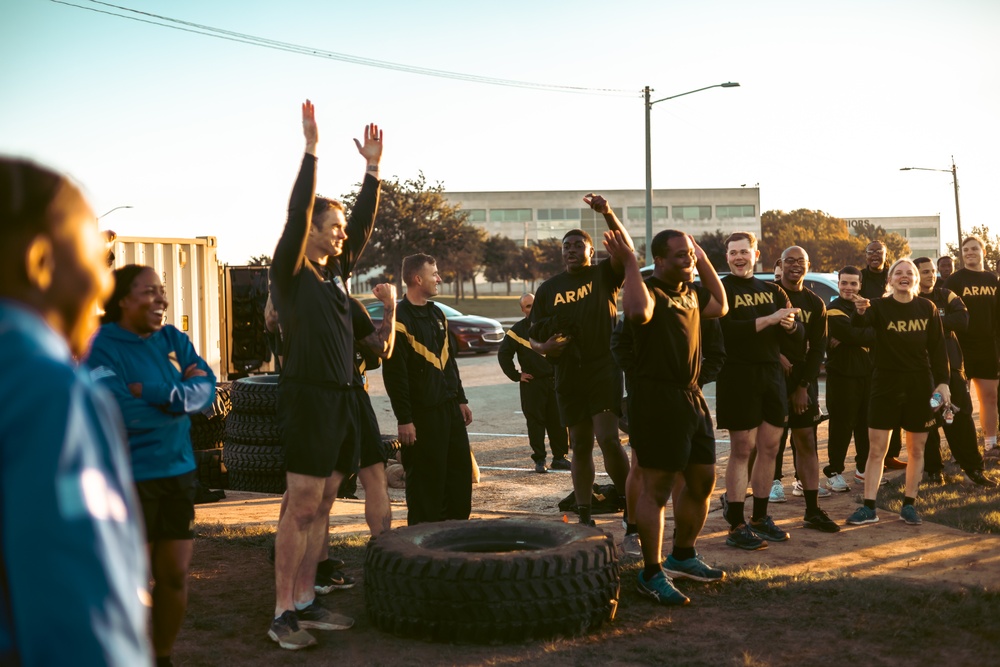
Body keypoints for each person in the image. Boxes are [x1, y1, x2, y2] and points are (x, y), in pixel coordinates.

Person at [0, 157, 151, 665]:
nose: (106, 287)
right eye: (94, 260)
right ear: (41, 263)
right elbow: (84, 620)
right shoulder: (49, 392)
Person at [267, 100, 383, 650]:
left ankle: (308, 600)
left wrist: (373, 174)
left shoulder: (335, 272)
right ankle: (282, 611)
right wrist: (312, 151)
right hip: (309, 398)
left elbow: (359, 227)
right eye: (331, 228)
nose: (341, 235)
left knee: (327, 504)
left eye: (340, 228)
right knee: (303, 504)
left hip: (342, 399)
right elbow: (296, 216)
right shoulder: (291, 273)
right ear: (311, 231)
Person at [88, 265, 217, 667]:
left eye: (162, 291)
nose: (161, 299)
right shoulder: (101, 346)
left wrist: (157, 392)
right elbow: (117, 412)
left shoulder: (174, 340)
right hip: (129, 481)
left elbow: (205, 392)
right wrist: (177, 404)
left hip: (178, 475)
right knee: (130, 583)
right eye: (149, 291)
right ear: (122, 299)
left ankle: (161, 658)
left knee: (175, 576)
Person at [607, 228, 728, 605]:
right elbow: (636, 312)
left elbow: (720, 306)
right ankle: (651, 571)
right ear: (659, 260)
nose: (688, 261)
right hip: (655, 400)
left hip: (690, 397)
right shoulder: (650, 291)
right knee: (656, 489)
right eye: (680, 256)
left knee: (703, 480)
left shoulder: (691, 292)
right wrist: (629, 262)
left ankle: (684, 556)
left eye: (689, 255)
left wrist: (703, 258)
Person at [528, 194, 633, 527]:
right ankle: (586, 515)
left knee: (608, 438)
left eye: (577, 245)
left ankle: (632, 505)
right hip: (568, 373)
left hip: (603, 366)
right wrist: (543, 348)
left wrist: (608, 213)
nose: (570, 250)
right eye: (565, 246)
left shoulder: (603, 276)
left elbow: (627, 253)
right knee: (581, 446)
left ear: (591, 251)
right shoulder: (548, 288)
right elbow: (533, 334)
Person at [846, 259, 950, 527]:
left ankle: (909, 505)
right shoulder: (878, 306)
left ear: (915, 279)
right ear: (890, 280)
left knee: (917, 449)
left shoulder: (927, 307)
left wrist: (943, 382)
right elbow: (860, 325)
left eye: (909, 273)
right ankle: (869, 507)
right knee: (876, 449)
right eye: (898, 273)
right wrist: (859, 310)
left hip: (919, 384)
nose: (904, 277)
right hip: (885, 384)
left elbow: (938, 349)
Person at [716, 232, 803, 550]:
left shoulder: (773, 290)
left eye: (744, 251)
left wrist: (791, 325)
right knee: (742, 448)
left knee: (769, 448)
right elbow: (726, 332)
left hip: (771, 376)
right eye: (733, 252)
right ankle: (736, 524)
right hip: (738, 376)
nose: (739, 257)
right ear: (726, 257)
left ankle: (760, 518)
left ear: (756, 254)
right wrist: (769, 320)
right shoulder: (722, 290)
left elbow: (796, 332)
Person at [383, 254, 474, 525]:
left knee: (459, 477)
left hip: (449, 410)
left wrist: (461, 399)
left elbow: (449, 363)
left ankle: (456, 538)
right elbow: (395, 375)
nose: (439, 278)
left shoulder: (437, 313)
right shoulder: (399, 320)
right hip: (421, 417)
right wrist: (405, 419)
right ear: (417, 278)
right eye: (434, 273)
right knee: (426, 485)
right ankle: (422, 546)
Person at [913, 257, 995, 487]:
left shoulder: (946, 295)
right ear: (916, 274)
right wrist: (940, 321)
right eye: (925, 272)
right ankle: (933, 470)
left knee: (961, 417)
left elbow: (963, 320)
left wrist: (931, 322)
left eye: (931, 271)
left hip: (952, 369)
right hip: (924, 371)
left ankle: (973, 470)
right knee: (928, 418)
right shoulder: (912, 300)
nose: (930, 275)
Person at [776, 246, 839, 532]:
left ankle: (812, 510)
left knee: (806, 443)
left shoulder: (815, 303)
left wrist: (803, 386)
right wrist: (776, 357)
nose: (795, 265)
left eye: (801, 261)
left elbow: (818, 349)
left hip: (802, 379)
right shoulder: (770, 294)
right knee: (764, 445)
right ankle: (756, 512)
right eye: (790, 261)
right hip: (770, 377)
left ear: (808, 265)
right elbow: (757, 333)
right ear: (780, 265)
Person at [498, 293, 569, 473]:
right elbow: (503, 354)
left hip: (555, 382)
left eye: (534, 304)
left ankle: (560, 458)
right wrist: (516, 375)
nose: (532, 308)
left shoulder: (552, 325)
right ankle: (540, 460)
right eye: (527, 306)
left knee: (559, 422)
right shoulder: (517, 330)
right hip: (532, 384)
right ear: (523, 310)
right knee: (535, 423)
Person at [945, 236, 1000, 457]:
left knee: (990, 397)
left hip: (987, 346)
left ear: (983, 252)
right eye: (965, 249)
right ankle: (961, 450)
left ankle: (990, 445)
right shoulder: (954, 281)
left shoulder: (992, 279)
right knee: (959, 400)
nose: (969, 252)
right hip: (960, 347)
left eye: (974, 249)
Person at [824, 266, 879, 487]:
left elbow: (877, 333)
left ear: (860, 285)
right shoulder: (833, 309)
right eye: (844, 283)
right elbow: (855, 334)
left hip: (867, 374)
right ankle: (833, 472)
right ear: (838, 284)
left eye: (853, 283)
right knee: (841, 425)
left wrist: (852, 338)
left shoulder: (868, 307)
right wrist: (855, 337)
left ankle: (862, 470)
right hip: (842, 376)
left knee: (865, 423)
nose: (849, 288)